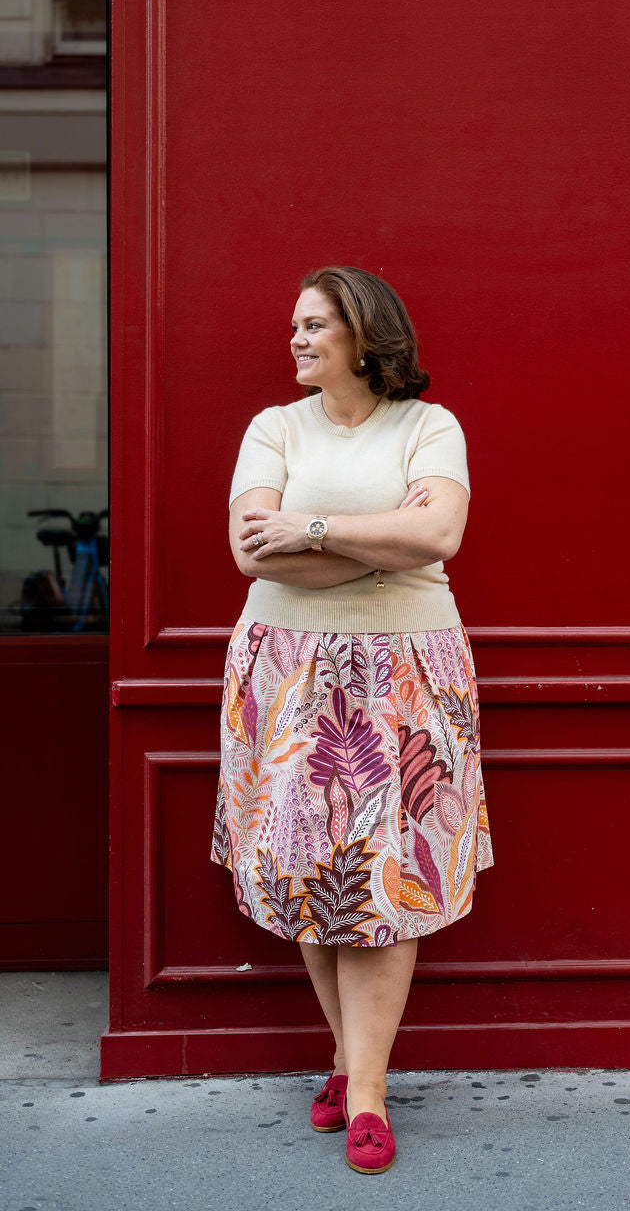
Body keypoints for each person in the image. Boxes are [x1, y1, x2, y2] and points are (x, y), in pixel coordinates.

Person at [210, 265, 493, 1174]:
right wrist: (378, 543)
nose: (295, 340)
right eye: (294, 325)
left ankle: (364, 1091)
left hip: (407, 668)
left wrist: (313, 529)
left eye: (315, 325)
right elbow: (252, 551)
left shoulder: (429, 427)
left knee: (386, 882)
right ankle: (348, 1062)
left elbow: (439, 536)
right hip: (286, 669)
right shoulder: (274, 428)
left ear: (365, 335)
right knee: (311, 868)